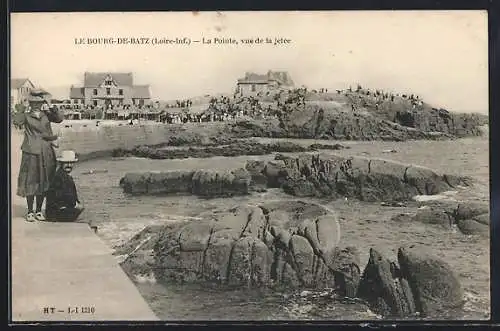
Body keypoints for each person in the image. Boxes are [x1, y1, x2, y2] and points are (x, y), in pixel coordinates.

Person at [13, 90, 64, 222]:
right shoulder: (26, 116)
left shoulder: (46, 115)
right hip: (30, 152)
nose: (36, 105)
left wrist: (51, 106)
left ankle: (38, 211)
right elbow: (16, 121)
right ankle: (30, 211)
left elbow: (59, 119)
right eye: (33, 103)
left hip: (46, 151)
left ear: (42, 103)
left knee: (44, 180)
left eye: (39, 103)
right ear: (30, 103)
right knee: (31, 180)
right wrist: (22, 107)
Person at [45, 150, 85, 222]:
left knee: (81, 211)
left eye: (71, 163)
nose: (69, 165)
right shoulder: (59, 177)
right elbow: (62, 196)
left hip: (57, 210)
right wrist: (75, 204)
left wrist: (76, 203)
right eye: (66, 163)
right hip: (56, 212)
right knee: (84, 215)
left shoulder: (63, 175)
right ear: (61, 163)